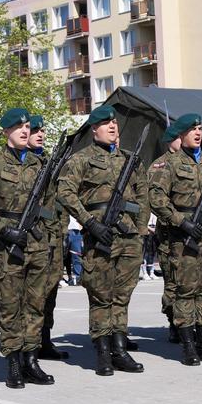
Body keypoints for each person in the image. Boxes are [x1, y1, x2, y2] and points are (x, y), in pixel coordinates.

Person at [58, 105, 149, 375]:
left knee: (122, 296)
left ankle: (120, 349)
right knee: (101, 296)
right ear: (94, 129)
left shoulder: (130, 159)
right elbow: (65, 192)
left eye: (114, 123)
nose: (112, 127)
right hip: (100, 236)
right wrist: (89, 222)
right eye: (106, 123)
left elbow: (143, 196)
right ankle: (102, 352)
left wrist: (140, 230)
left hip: (129, 236)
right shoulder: (81, 159)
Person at [0, 107, 54, 388]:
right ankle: (14, 363)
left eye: (27, 126)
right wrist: (3, 229)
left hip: (37, 243)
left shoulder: (39, 164)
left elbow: (50, 203)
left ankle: (31, 359)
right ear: (6, 131)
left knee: (35, 304)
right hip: (8, 247)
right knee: (10, 307)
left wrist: (47, 233)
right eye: (19, 127)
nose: (25, 131)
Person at [149, 113, 202, 366]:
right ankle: (187, 345)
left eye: (200, 128)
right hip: (183, 238)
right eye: (192, 129)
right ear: (181, 135)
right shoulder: (169, 165)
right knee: (186, 292)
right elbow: (156, 199)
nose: (198, 132)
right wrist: (181, 222)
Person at [26, 115, 70, 361]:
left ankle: (45, 340)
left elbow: (59, 201)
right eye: (35, 130)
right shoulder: (26, 164)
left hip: (53, 238)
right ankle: (29, 345)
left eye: (42, 130)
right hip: (34, 239)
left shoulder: (48, 162)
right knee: (33, 296)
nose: (40, 134)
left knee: (50, 293)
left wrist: (60, 229)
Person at [148, 125, 182, 343]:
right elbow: (157, 200)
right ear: (171, 141)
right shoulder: (160, 165)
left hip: (190, 232)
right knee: (172, 281)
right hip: (170, 233)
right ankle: (173, 321)